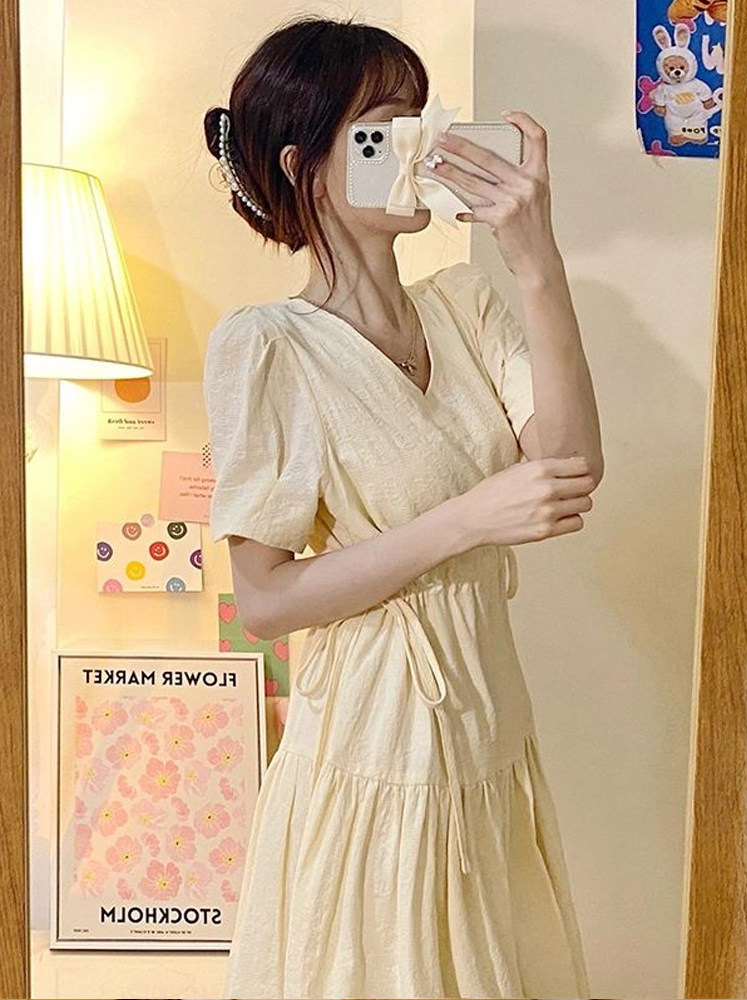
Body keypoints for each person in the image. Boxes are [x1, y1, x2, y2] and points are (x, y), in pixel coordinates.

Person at [202, 13, 602, 1000]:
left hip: (488, 731)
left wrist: (535, 257)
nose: (418, 145)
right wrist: (466, 521)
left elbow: (568, 470)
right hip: (374, 749)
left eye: (419, 117)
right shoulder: (268, 344)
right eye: (383, 128)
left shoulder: (465, 304)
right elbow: (265, 601)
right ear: (307, 169)